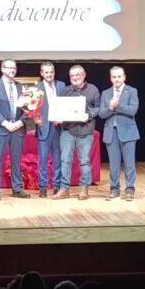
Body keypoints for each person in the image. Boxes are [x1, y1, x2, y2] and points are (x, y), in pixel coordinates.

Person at [54, 64, 100, 200]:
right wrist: (58, 117)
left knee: (84, 161)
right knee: (65, 160)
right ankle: (64, 189)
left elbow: (99, 107)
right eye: (72, 76)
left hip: (86, 130)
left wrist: (89, 115)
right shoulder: (65, 91)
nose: (75, 78)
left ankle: (84, 188)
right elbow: (59, 108)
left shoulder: (93, 89)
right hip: (67, 130)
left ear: (84, 75)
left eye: (77, 75)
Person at [0, 59, 30, 199]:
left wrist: (20, 122)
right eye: (9, 67)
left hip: (18, 128)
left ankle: (17, 189)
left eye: (14, 68)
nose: (12, 70)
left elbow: (29, 107)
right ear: (2, 69)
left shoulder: (21, 87)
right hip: (1, 128)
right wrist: (5, 123)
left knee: (16, 160)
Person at [97, 65, 140, 201]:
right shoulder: (106, 93)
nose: (117, 79)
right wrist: (110, 107)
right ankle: (114, 189)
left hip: (128, 131)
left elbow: (133, 110)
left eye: (119, 76)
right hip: (111, 132)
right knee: (114, 163)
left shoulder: (131, 91)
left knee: (129, 162)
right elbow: (101, 113)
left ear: (124, 77)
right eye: (114, 77)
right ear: (110, 78)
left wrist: (117, 106)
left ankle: (130, 189)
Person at [34, 62, 65, 198]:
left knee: (58, 158)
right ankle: (43, 187)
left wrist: (64, 117)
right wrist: (34, 117)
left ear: (54, 72)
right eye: (46, 72)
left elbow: (66, 105)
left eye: (51, 72)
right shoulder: (36, 88)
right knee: (43, 159)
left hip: (59, 127)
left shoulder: (61, 85)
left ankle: (57, 186)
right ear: (42, 73)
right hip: (44, 127)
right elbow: (31, 108)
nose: (49, 74)